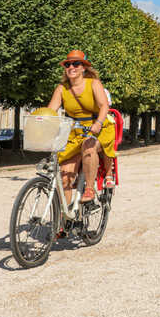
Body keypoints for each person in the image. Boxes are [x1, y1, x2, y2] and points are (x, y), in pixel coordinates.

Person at [47, 50, 116, 204]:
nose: (71, 67)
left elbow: (104, 105)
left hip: (98, 128)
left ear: (84, 67)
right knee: (65, 175)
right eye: (68, 64)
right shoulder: (61, 89)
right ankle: (65, 223)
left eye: (76, 63)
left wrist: (98, 123)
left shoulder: (93, 83)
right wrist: (40, 123)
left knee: (89, 147)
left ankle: (89, 189)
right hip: (74, 133)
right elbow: (50, 111)